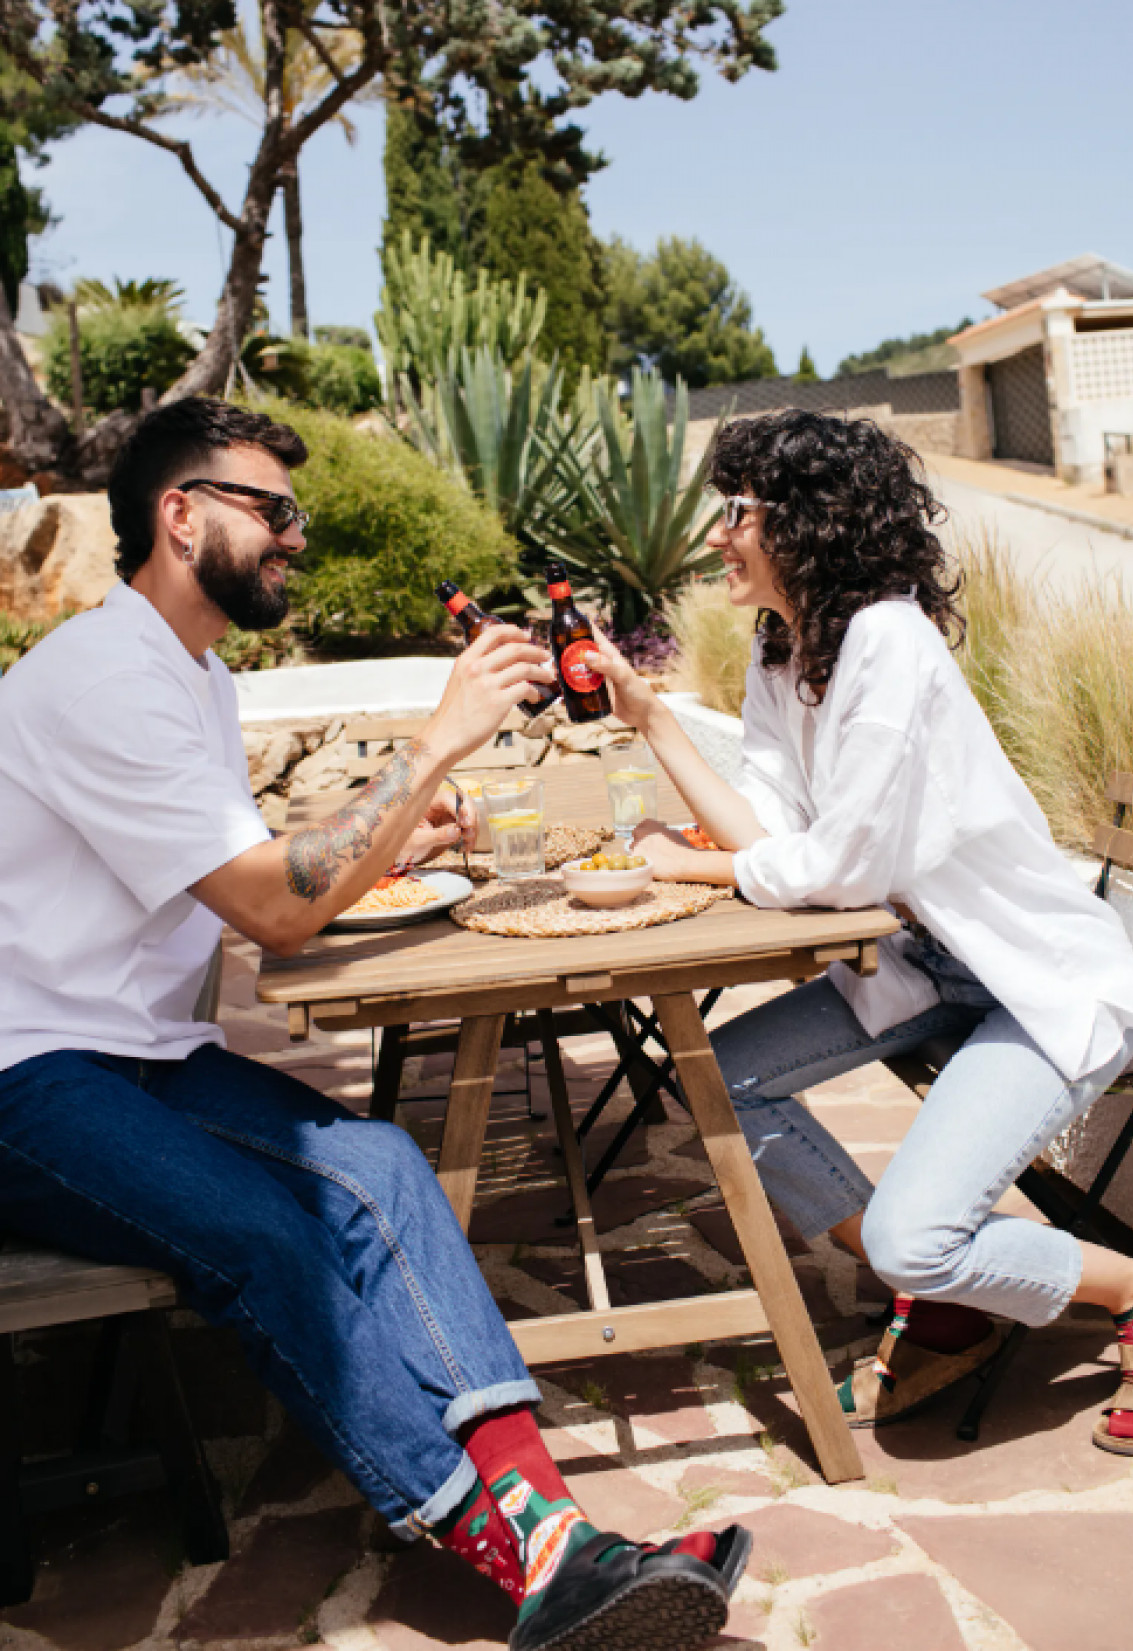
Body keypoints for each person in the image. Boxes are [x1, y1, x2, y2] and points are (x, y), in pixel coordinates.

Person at [0, 398, 751, 1651]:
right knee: (266, 1234)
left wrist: (400, 818)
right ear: (180, 516)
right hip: (28, 1076)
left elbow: (251, 870)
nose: (296, 537)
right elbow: (269, 910)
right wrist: (433, 747)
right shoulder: (96, 676)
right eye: (274, 511)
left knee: (382, 1166)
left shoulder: (189, 676)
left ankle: (557, 1535)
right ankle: (519, 1550)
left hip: (143, 1058)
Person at [586, 409, 1133, 1458]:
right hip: (923, 968)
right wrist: (653, 722)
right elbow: (774, 836)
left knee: (922, 1236)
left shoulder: (888, 640)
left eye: (737, 511)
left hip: (1029, 983)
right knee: (713, 1075)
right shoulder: (783, 652)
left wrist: (685, 864)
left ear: (808, 520)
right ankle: (950, 1284)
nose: (717, 534)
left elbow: (842, 870)